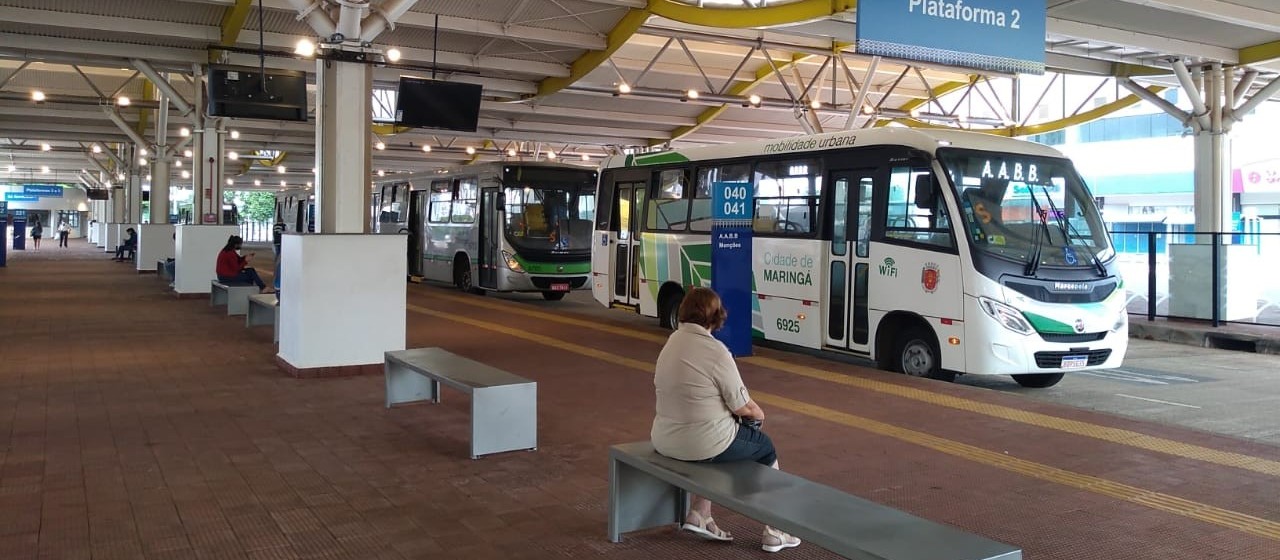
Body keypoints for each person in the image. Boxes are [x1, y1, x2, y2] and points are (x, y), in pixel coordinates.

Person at [650, 287, 801, 553]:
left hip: (665, 439)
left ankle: (699, 514)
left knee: (719, 444)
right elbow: (743, 406)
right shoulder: (716, 351)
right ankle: (776, 530)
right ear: (715, 317)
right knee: (763, 447)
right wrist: (759, 416)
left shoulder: (671, 343)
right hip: (702, 443)